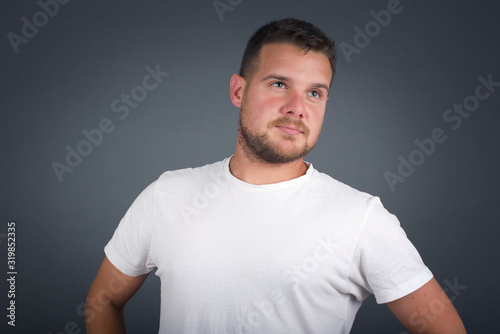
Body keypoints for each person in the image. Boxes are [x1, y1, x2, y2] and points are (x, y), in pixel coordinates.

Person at [85, 18, 466, 333]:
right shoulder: (166, 196)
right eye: (279, 84)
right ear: (239, 90)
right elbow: (103, 301)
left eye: (315, 93)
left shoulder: (361, 218)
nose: (297, 108)